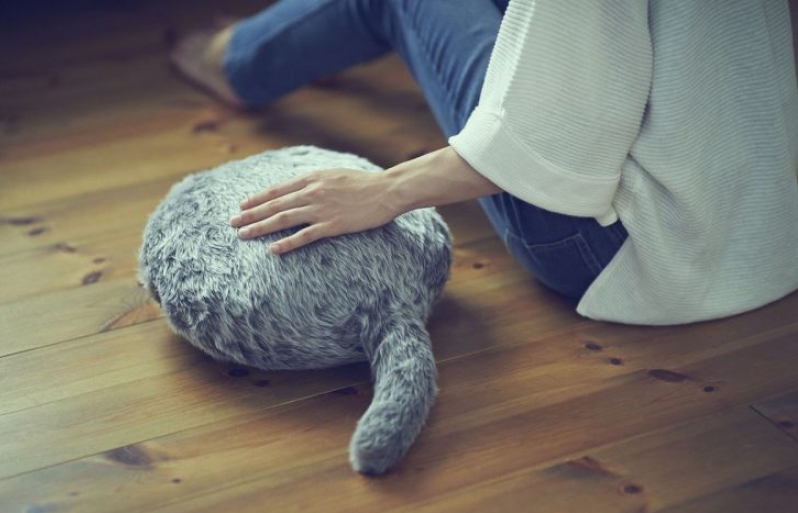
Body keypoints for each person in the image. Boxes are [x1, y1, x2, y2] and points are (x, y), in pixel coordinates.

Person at [171, 0, 798, 326]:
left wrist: (387, 190)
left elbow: (554, 139)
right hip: (762, 223)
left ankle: (240, 60)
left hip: (621, 248)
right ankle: (303, 40)